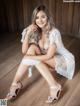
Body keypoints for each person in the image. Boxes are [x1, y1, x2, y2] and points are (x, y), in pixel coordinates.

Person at [5, 5, 75, 103]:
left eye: (43, 17)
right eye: (37, 17)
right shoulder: (36, 31)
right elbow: (24, 51)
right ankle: (15, 83)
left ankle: (55, 86)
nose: (40, 20)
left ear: (48, 18)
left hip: (62, 60)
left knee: (34, 59)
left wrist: (30, 57)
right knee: (32, 49)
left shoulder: (54, 32)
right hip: (48, 59)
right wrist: (29, 32)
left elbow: (48, 56)